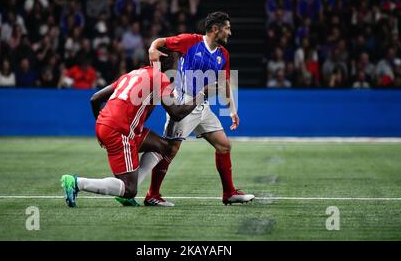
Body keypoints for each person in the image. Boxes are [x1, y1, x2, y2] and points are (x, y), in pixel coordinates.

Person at [60, 48, 206, 207]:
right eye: (178, 61)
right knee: (129, 188)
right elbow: (177, 113)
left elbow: (95, 99)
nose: (178, 67)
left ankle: (136, 194)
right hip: (120, 132)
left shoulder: (134, 73)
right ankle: (76, 183)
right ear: (167, 62)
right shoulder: (160, 78)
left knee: (165, 148)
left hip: (115, 127)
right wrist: (201, 95)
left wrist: (102, 122)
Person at [147, 11, 255, 206]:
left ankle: (229, 193)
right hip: (185, 102)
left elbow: (224, 82)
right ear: (216, 29)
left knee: (224, 146)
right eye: (227, 28)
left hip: (203, 106)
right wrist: (153, 48)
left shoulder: (223, 55)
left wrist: (232, 110)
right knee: (170, 150)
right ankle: (152, 195)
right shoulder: (190, 41)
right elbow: (159, 42)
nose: (230, 32)